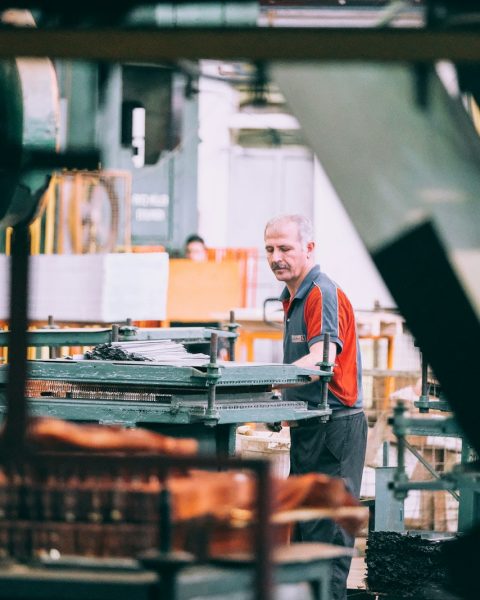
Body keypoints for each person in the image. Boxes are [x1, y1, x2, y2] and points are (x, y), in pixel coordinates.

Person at [264, 214, 367, 600]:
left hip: (336, 428)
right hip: (310, 426)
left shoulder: (321, 293)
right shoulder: (291, 297)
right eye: (270, 249)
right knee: (304, 532)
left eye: (285, 248)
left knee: (329, 537)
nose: (276, 257)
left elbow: (321, 361)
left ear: (308, 248)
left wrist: (263, 382)